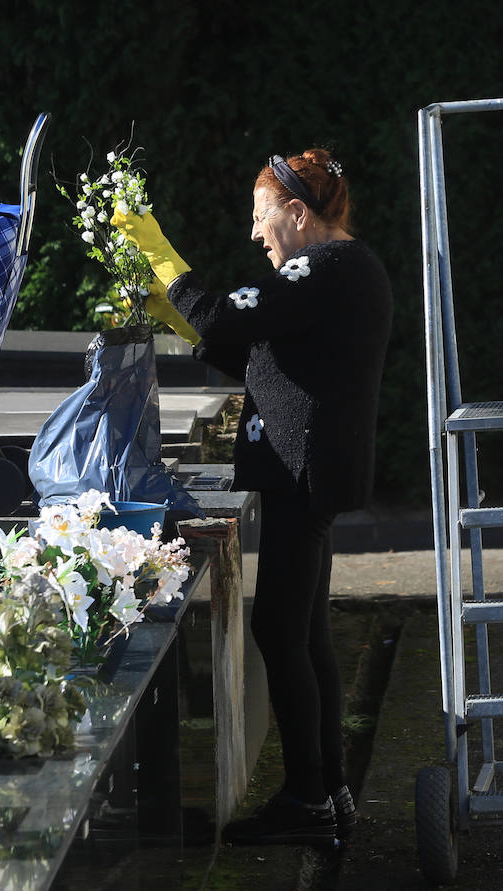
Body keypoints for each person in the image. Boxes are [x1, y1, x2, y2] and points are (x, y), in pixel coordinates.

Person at [114, 148, 392, 844]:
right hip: (310, 470)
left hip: (305, 472)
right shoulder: (334, 273)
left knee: (280, 630)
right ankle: (328, 794)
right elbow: (257, 355)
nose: (255, 234)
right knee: (306, 634)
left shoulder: (322, 266)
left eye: (261, 218)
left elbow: (223, 310)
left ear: (298, 214)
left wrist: (159, 254)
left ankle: (308, 801)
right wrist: (179, 316)